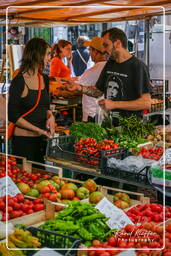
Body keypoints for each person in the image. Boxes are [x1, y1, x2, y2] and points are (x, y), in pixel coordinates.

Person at [64, 27, 151, 126]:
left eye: (106, 45)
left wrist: (114, 104)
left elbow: (146, 103)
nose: (104, 49)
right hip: (109, 125)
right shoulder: (110, 64)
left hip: (129, 129)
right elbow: (98, 91)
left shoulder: (138, 67)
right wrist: (79, 87)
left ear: (117, 43)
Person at [8, 37, 55, 162]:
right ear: (37, 54)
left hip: (41, 140)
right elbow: (13, 116)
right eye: (48, 54)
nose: (50, 59)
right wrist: (39, 130)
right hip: (24, 143)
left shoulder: (44, 78)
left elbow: (45, 107)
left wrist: (51, 117)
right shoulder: (19, 81)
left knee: (41, 176)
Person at [77, 36, 107, 122]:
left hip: (92, 115)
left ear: (96, 52)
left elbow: (76, 86)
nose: (89, 53)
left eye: (90, 50)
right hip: (101, 114)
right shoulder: (106, 66)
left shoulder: (95, 68)